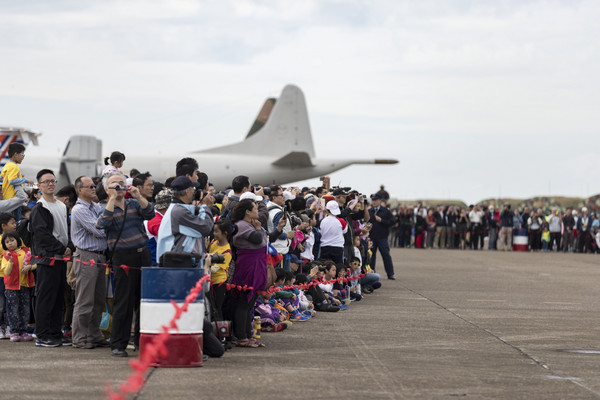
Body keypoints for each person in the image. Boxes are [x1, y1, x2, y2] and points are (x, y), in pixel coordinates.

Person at [96, 173, 154, 357]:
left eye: (122, 183)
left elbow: (150, 213)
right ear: (107, 189)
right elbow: (102, 224)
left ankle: (141, 341)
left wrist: (138, 195)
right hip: (122, 258)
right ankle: (118, 344)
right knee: (123, 301)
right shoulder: (106, 208)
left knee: (144, 301)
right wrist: (112, 199)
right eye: (114, 184)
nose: (119, 186)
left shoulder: (134, 203)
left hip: (142, 255)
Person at [30, 169, 72, 347]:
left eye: (53, 181)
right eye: (46, 181)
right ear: (39, 186)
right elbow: (42, 235)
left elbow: (66, 230)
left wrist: (69, 248)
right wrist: (61, 248)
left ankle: (55, 332)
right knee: (45, 298)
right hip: (48, 259)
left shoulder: (62, 205)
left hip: (62, 259)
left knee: (58, 298)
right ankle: (42, 335)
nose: (50, 184)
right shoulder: (40, 208)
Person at [70, 176, 109, 349]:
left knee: (99, 300)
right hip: (87, 256)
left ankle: (94, 334)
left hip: (101, 256)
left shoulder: (96, 206)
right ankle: (79, 337)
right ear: (80, 190)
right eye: (90, 187)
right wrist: (111, 227)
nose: (94, 189)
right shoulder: (79, 209)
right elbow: (99, 230)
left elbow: (103, 226)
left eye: (94, 186)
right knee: (85, 300)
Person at [230, 199, 268, 348]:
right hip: (248, 264)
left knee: (251, 303)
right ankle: (241, 336)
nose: (257, 211)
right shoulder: (241, 225)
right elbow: (258, 239)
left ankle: (248, 334)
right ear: (247, 211)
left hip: (258, 262)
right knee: (244, 302)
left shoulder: (251, 224)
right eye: (255, 208)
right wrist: (258, 229)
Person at [156, 176, 214, 262]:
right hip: (178, 265)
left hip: (177, 262)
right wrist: (205, 206)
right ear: (187, 191)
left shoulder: (176, 208)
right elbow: (205, 227)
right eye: (193, 188)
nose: (195, 191)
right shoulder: (179, 212)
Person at [1, 231, 34, 342]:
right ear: (4, 245)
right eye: (7, 242)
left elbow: (35, 263)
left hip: (24, 285)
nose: (10, 243)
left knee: (25, 309)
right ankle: (14, 331)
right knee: (12, 310)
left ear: (17, 240)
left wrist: (29, 267)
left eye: (12, 240)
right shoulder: (5, 256)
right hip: (11, 287)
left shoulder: (26, 251)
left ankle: (23, 331)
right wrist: (10, 261)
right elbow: (7, 271)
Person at [207, 219, 232, 321]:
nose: (214, 234)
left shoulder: (227, 252)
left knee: (217, 307)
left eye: (216, 231)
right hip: (210, 280)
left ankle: (220, 330)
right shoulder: (214, 242)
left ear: (225, 233)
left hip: (219, 283)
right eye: (214, 231)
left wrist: (206, 264)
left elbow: (214, 269)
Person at [1, 143, 33, 219]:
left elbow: (3, 178)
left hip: (7, 198)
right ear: (15, 154)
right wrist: (26, 180)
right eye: (22, 155)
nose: (23, 157)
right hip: (14, 198)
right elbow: (12, 181)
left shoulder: (7, 165)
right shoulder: (14, 167)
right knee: (16, 221)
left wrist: (20, 176)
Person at [368, 193, 395, 280]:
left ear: (380, 201)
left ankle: (390, 273)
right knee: (371, 256)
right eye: (373, 200)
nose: (374, 202)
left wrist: (382, 220)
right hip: (372, 237)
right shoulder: (370, 211)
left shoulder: (385, 211)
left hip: (382, 237)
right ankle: (372, 272)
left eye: (376, 200)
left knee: (386, 254)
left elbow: (392, 222)